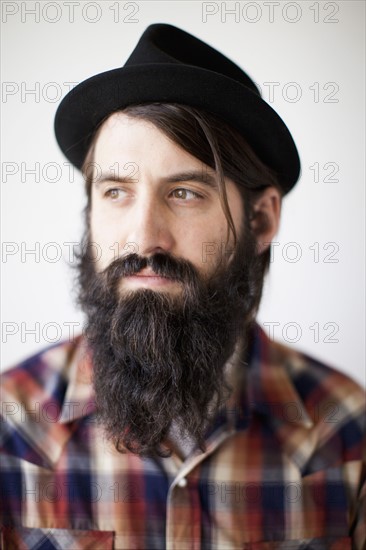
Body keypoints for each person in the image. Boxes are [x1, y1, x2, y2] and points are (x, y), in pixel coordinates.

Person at [0, 23, 364, 550]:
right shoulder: (12, 433)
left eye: (186, 192)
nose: (144, 236)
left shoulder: (345, 433)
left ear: (260, 221)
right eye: (116, 191)